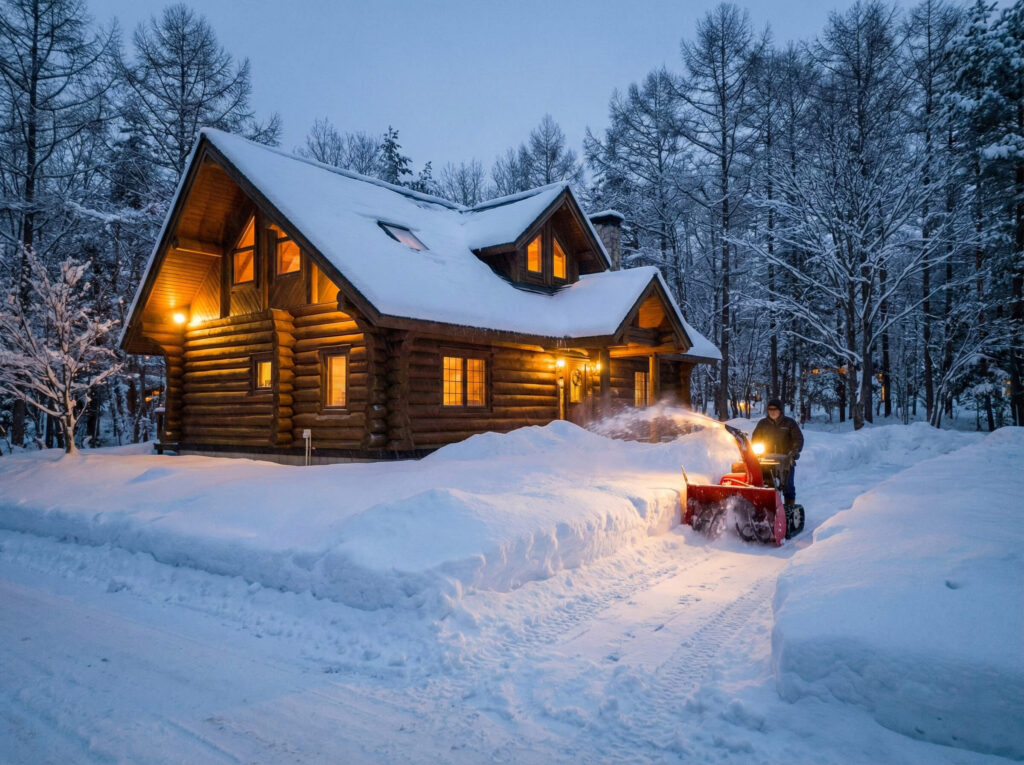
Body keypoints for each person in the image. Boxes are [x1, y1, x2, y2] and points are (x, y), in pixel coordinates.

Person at [752, 398, 804, 505]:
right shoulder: (762, 424)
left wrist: (794, 451)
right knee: (763, 483)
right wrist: (755, 449)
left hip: (785, 460)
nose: (772, 411)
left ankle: (789, 507)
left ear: (780, 410)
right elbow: (755, 439)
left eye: (775, 409)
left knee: (787, 486)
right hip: (765, 459)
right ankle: (767, 505)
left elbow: (798, 439)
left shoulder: (789, 423)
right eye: (770, 409)